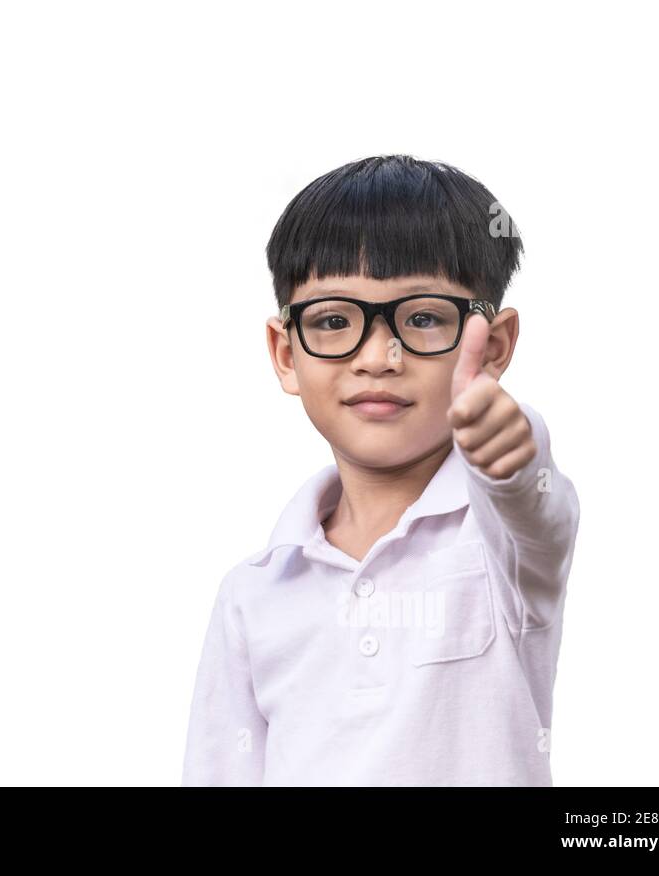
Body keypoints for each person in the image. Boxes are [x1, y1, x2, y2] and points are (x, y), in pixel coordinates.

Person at [181, 155, 580, 786]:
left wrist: (513, 450)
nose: (378, 356)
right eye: (334, 321)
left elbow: (538, 508)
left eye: (422, 318)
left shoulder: (500, 543)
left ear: (495, 346)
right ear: (287, 354)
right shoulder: (254, 593)